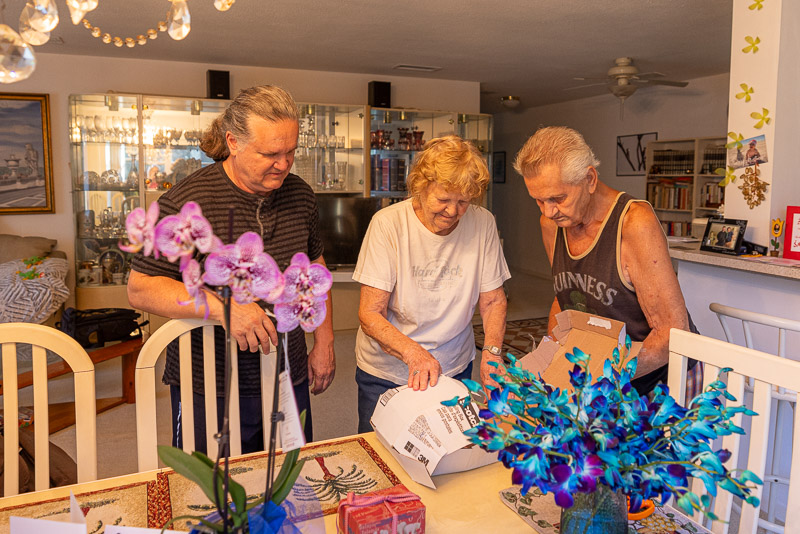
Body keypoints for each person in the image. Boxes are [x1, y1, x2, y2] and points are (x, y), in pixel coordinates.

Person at [128, 85, 334, 451]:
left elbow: (314, 266)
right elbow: (141, 287)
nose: (283, 164)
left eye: (290, 151)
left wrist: (325, 340)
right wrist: (224, 307)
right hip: (210, 383)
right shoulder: (186, 202)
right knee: (212, 485)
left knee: (289, 478)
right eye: (270, 153)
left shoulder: (300, 194)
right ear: (233, 142)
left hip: (288, 374)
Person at [514, 126, 697, 396]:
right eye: (539, 201)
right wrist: (553, 355)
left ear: (589, 179)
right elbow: (565, 295)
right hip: (601, 377)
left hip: (659, 380)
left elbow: (672, 333)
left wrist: (604, 381)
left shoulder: (634, 224)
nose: (549, 211)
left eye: (558, 198)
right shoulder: (551, 224)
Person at [353, 136, 510, 433]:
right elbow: (370, 313)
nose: (452, 212)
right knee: (380, 450)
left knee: (447, 448)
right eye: (443, 200)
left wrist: (492, 352)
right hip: (387, 372)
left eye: (463, 202)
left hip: (454, 365)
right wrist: (414, 353)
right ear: (420, 187)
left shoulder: (483, 222)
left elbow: (493, 300)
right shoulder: (388, 224)